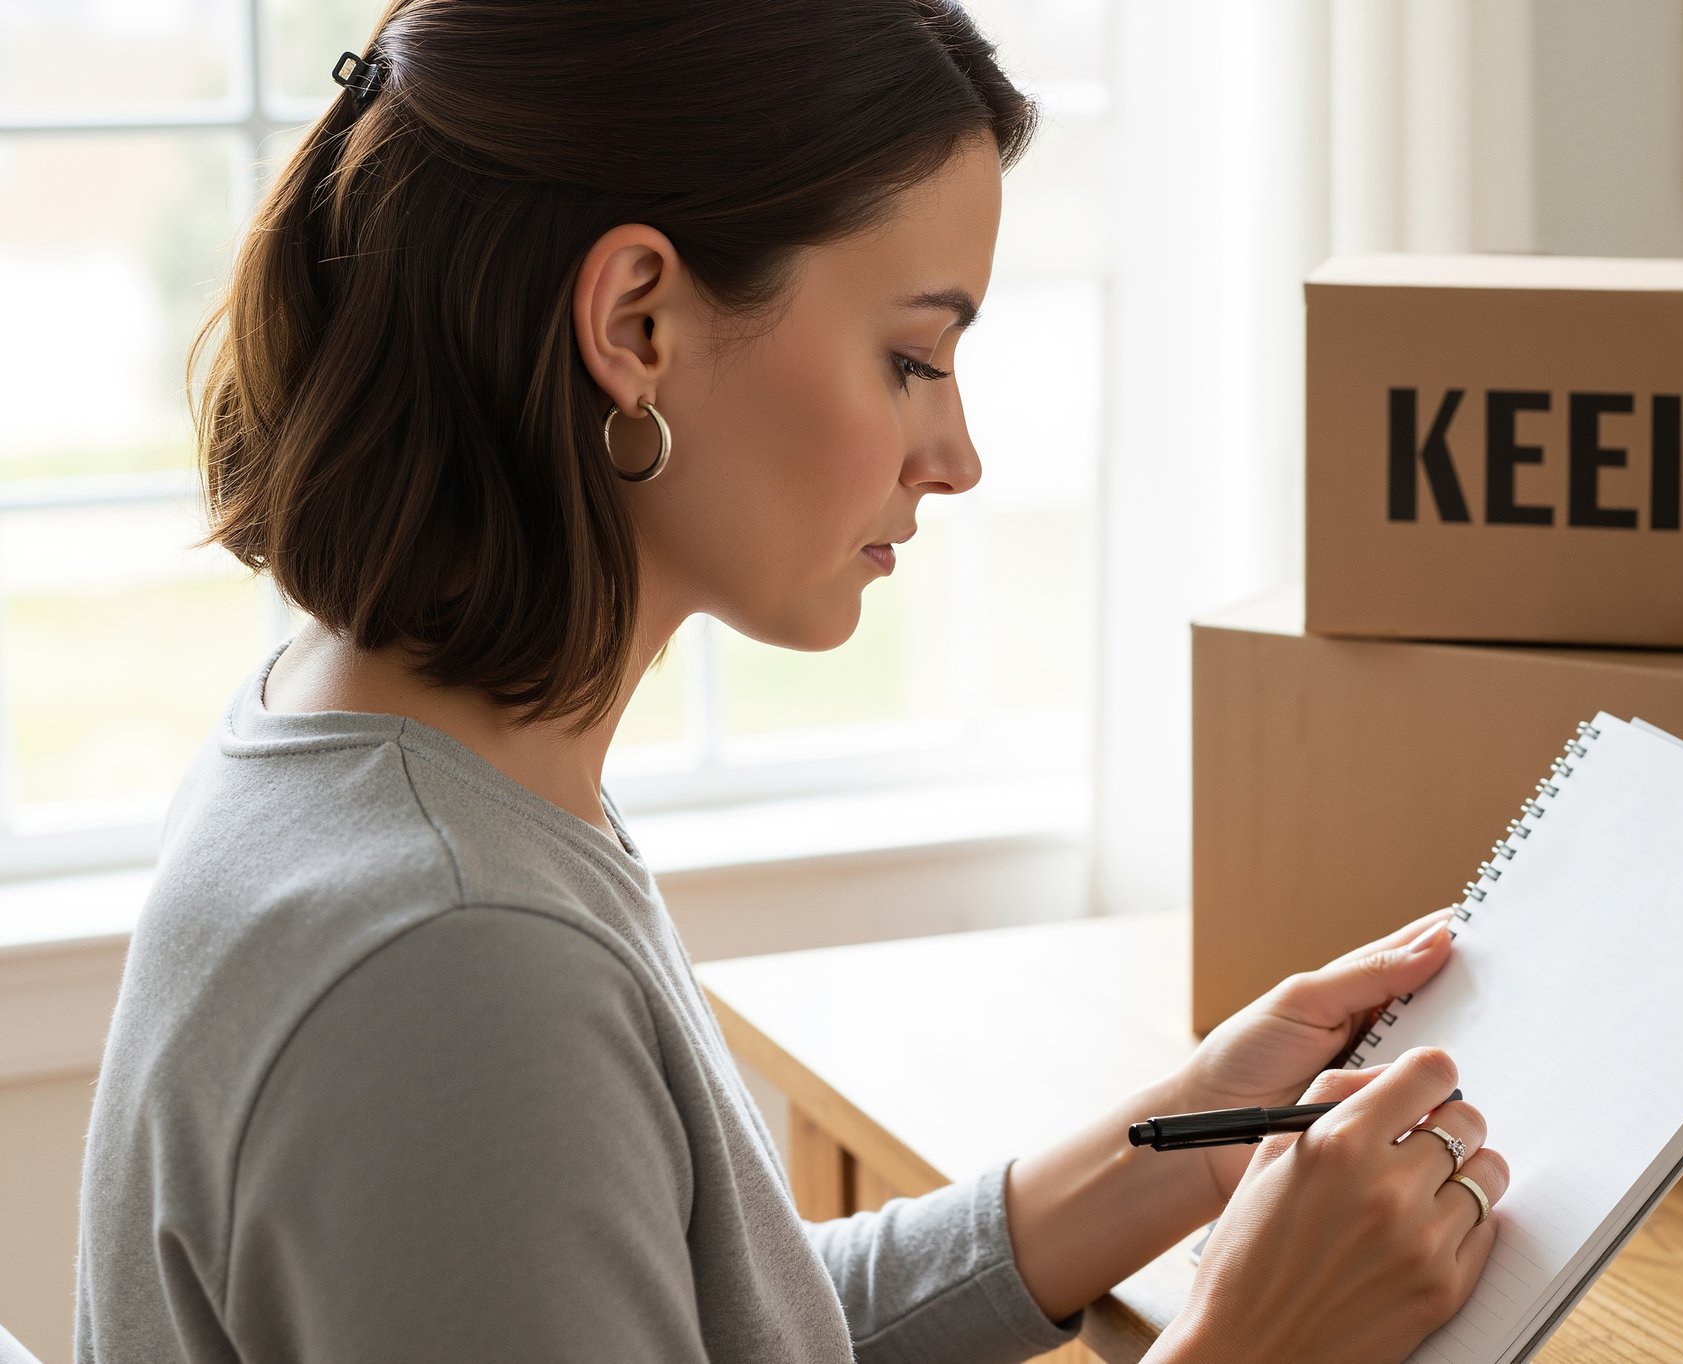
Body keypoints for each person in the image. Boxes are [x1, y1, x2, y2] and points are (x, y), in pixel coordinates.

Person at [72, 2, 1509, 1361]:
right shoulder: (455, 958)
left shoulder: (373, 742)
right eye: (911, 358)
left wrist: (1185, 1136)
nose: (955, 456)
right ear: (637, 324)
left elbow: (695, 1314)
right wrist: (1254, 1338)